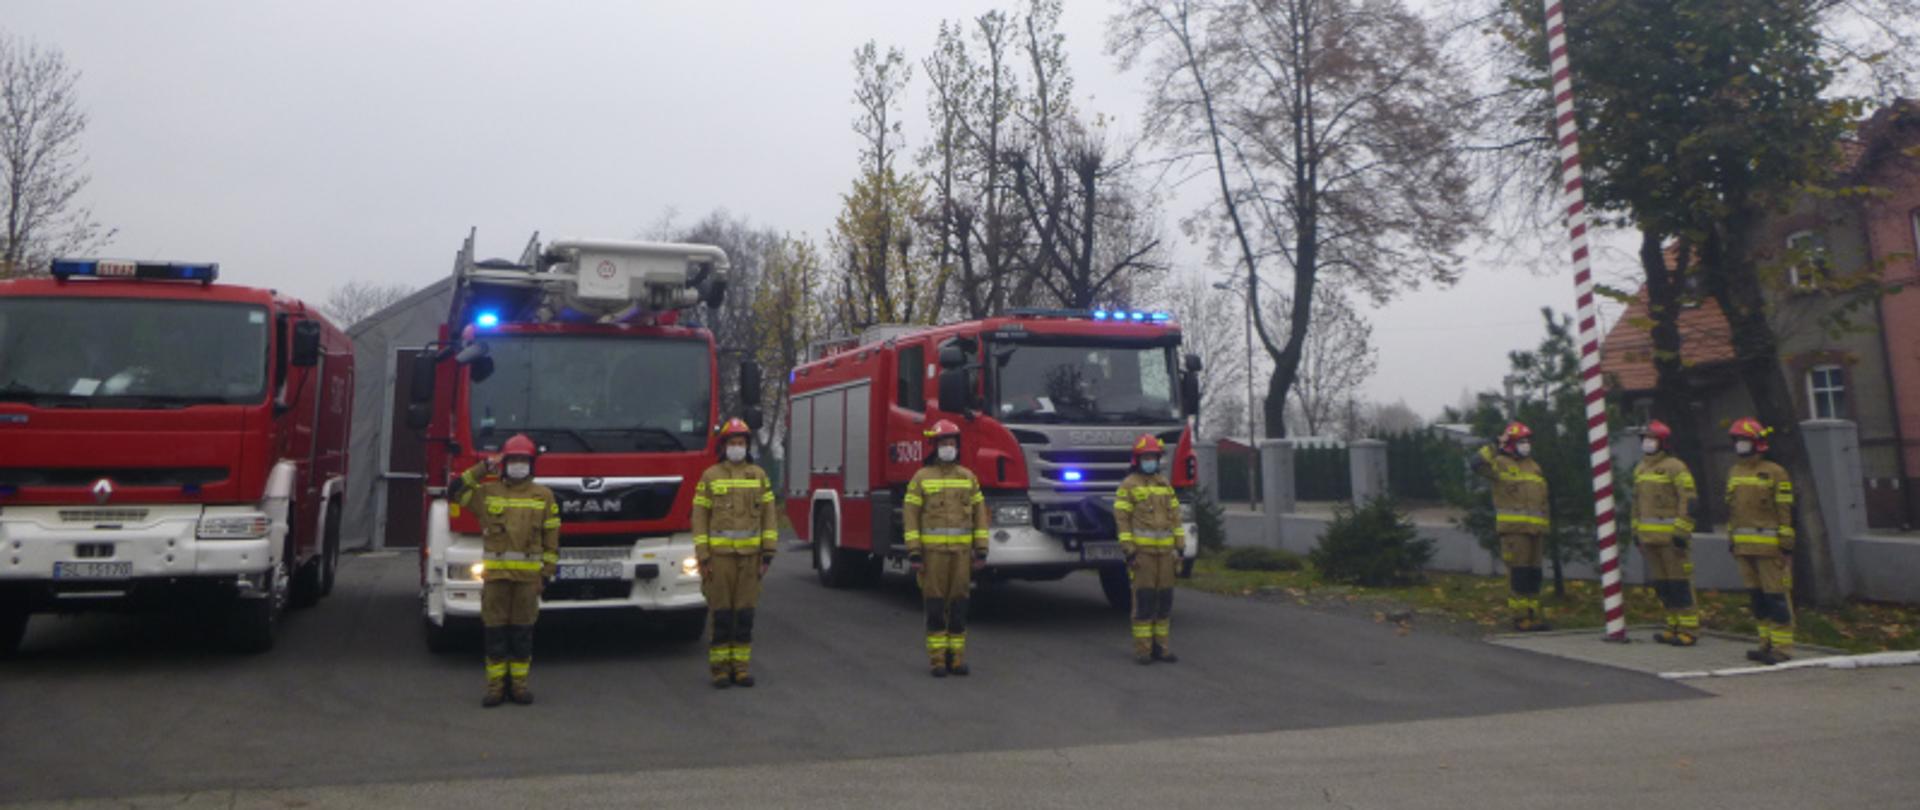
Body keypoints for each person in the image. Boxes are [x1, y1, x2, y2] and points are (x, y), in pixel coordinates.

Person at [453, 434, 560, 707]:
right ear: (504, 463)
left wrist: (546, 575)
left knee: (522, 635)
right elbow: (454, 490)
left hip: (527, 583)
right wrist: (483, 468)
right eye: (513, 460)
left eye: (523, 460)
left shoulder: (544, 496)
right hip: (496, 581)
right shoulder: (487, 494)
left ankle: (520, 688)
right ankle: (495, 689)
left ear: (532, 464)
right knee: (495, 635)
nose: (518, 465)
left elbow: (551, 540)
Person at [691, 417, 780, 688]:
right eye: (733, 442)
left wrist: (768, 554)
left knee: (744, 615)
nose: (737, 447)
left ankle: (740, 669)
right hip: (719, 561)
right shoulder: (710, 476)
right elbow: (699, 519)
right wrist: (703, 556)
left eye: (741, 443)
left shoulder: (759, 476)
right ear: (724, 446)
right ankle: (719, 670)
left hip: (750, 560)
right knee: (721, 615)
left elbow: (769, 517)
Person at [902, 419, 989, 677]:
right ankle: (938, 661)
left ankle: (957, 660)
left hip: (962, 556)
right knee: (936, 608)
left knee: (960, 607)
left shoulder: (968, 478)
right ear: (935, 446)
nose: (948, 447)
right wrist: (914, 552)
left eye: (951, 443)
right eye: (943, 443)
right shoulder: (921, 478)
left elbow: (980, 515)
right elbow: (910, 516)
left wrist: (981, 549)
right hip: (933, 557)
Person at [1725, 418, 1797, 664]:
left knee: (1776, 597)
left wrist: (1786, 539)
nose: (1740, 445)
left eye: (1744, 440)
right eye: (1737, 441)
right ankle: (1765, 643)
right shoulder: (1734, 472)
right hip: (1744, 547)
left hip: (1770, 548)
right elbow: (1732, 510)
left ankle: (1783, 647)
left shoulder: (1776, 472)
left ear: (1757, 442)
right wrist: (1731, 538)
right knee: (1758, 598)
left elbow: (1784, 508)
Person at [1472, 422, 1552, 631]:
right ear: (1511, 444)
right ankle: (1520, 617)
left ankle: (1535, 615)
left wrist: (1544, 526)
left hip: (1536, 532)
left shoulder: (1534, 467)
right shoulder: (1500, 464)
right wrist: (1496, 445)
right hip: (1514, 532)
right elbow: (1476, 463)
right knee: (1519, 575)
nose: (1526, 445)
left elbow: (1543, 501)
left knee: (1534, 575)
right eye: (1521, 442)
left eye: (1528, 441)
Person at [1115, 434, 1185, 665]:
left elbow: (1175, 518)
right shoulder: (1128, 486)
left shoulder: (1164, 485)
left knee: (1164, 602)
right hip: (1142, 556)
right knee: (1144, 602)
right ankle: (1143, 651)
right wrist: (1129, 550)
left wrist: (1180, 548)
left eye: (1153, 457)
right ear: (1137, 459)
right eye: (1146, 457)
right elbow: (1122, 520)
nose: (1150, 460)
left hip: (1166, 556)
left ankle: (1162, 649)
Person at [1632, 420, 1700, 645]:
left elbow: (1688, 500)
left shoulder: (1676, 467)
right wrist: (1636, 530)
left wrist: (1682, 530)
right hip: (1649, 539)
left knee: (1680, 583)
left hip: (1672, 539)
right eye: (1645, 439)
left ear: (1663, 442)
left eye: (1651, 439)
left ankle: (1689, 629)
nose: (1647, 443)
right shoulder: (1640, 468)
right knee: (1664, 586)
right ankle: (1672, 625)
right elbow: (1636, 503)